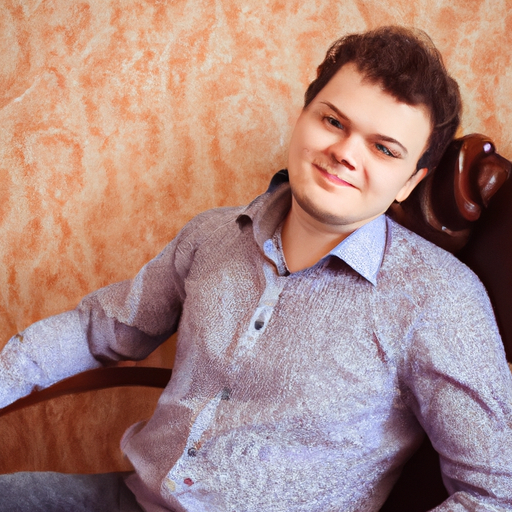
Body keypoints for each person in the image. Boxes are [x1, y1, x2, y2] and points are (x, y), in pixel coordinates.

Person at [1, 25, 512, 512]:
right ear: (303, 116)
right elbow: (98, 330)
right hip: (129, 499)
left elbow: (495, 492)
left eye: (383, 148)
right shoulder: (212, 235)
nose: (344, 153)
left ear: (410, 181)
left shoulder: (438, 298)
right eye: (333, 122)